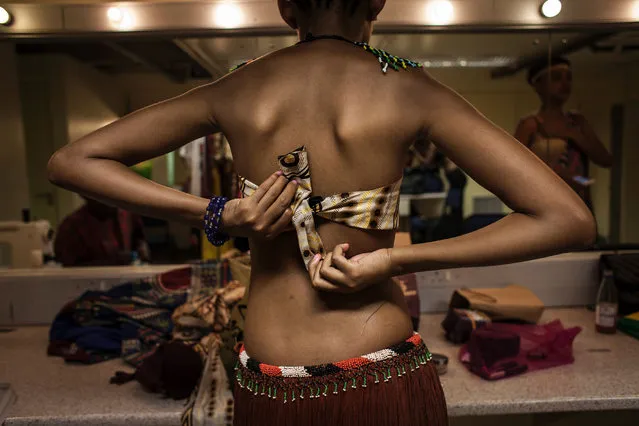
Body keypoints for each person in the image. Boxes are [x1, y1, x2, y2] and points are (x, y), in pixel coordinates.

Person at [47, 1, 596, 424]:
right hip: (381, 367)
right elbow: (567, 218)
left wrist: (217, 213)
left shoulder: (238, 88)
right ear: (377, 1)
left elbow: (73, 160)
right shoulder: (410, 88)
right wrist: (395, 262)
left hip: (266, 379)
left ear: (287, 6)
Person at [514, 56, 613, 210]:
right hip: (543, 202)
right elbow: (512, 167)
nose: (564, 84)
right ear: (538, 85)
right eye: (556, 78)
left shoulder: (577, 121)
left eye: (569, 78)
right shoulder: (530, 124)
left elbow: (605, 160)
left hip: (578, 202)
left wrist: (575, 136)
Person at [54, 197, 150, 267]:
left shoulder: (127, 214)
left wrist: (141, 250)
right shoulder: (72, 226)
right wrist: (112, 261)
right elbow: (68, 267)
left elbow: (139, 240)